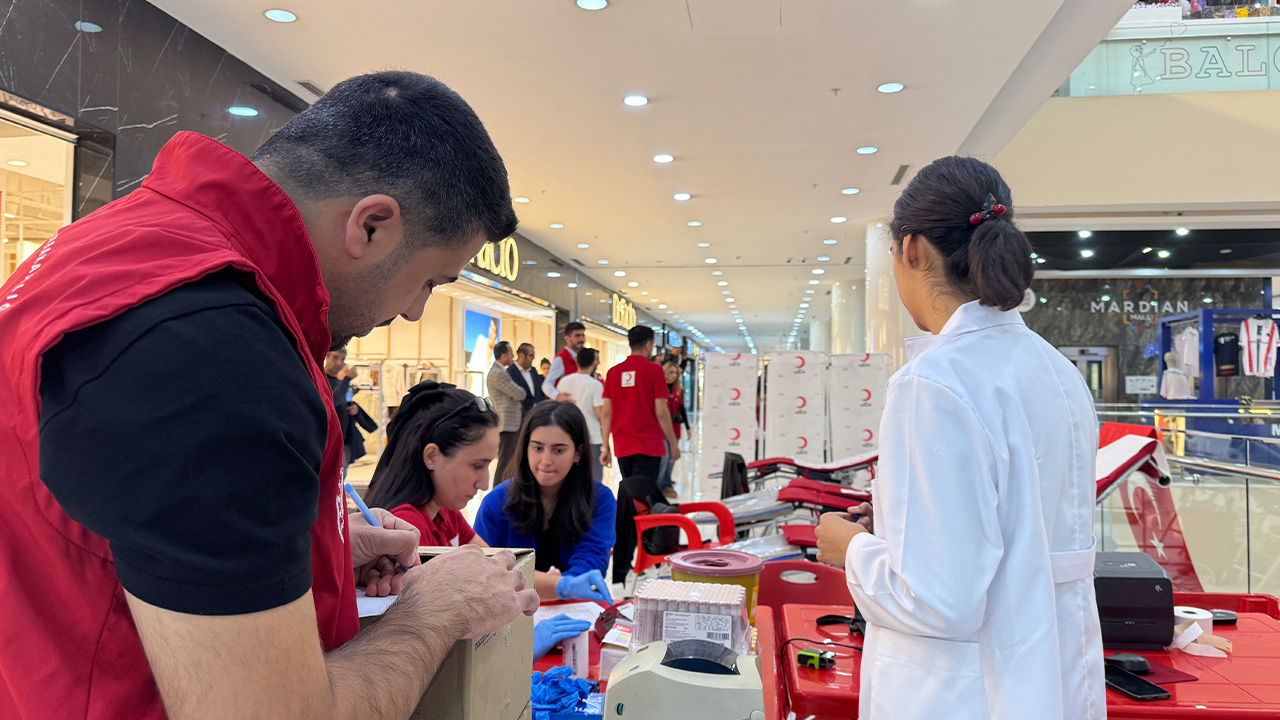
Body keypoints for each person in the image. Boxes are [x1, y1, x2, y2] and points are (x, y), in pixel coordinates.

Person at [0, 71, 541, 720]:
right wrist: (435, 610)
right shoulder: (213, 352)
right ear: (371, 225)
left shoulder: (121, 251)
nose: (414, 311)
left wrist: (314, 554)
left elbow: (103, 524)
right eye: (429, 281)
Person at [813, 156, 1103, 720]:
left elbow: (938, 600)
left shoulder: (933, 383)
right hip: (1053, 673)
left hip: (966, 689)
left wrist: (850, 548)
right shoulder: (1055, 370)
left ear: (912, 250)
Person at [475, 402, 617, 605]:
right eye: (538, 448)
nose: (545, 460)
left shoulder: (600, 499)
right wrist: (555, 584)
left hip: (574, 607)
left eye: (558, 450)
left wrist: (565, 586)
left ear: (578, 453)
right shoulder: (497, 502)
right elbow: (483, 568)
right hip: (509, 609)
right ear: (526, 448)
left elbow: (593, 559)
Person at [366, 382, 498, 548]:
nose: (484, 484)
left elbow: (494, 562)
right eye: (477, 466)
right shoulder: (406, 527)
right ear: (432, 456)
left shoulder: (444, 512)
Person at [601, 325, 679, 487]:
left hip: (622, 445)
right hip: (648, 445)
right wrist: (673, 443)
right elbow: (662, 412)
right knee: (644, 497)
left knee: (630, 491)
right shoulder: (654, 370)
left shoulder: (613, 373)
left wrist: (605, 445)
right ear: (648, 345)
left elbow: (606, 412)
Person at [556, 347, 608, 482]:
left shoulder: (564, 381)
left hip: (567, 435)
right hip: (592, 437)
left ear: (577, 362)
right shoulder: (596, 385)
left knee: (570, 477)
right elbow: (599, 414)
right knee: (593, 478)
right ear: (593, 363)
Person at [487, 340, 528, 473]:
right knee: (505, 460)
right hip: (507, 423)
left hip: (510, 423)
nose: (513, 357)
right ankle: (499, 490)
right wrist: (516, 395)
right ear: (503, 356)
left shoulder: (500, 372)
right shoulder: (499, 374)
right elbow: (520, 393)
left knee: (508, 459)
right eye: (511, 353)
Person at [656, 360, 690, 499]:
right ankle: (659, 485)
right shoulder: (659, 388)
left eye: (676, 373)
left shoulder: (677, 389)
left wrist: (688, 427)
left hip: (675, 428)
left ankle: (667, 483)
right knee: (665, 457)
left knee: (672, 458)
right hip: (661, 428)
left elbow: (682, 409)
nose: (673, 376)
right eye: (671, 372)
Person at [325, 350, 361, 470]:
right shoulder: (321, 382)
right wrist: (346, 380)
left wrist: (353, 410)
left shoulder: (340, 384)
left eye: (342, 359)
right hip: (328, 444)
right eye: (335, 358)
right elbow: (332, 402)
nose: (339, 363)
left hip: (342, 443)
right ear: (326, 357)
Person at [543, 322, 586, 399]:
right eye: (577, 336)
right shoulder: (561, 359)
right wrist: (558, 396)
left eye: (583, 335)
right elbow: (547, 384)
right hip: (565, 407)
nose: (581, 339)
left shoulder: (581, 357)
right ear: (567, 338)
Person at [510, 342, 548, 415]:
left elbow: (539, 392)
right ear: (521, 356)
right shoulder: (510, 372)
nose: (533, 358)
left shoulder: (533, 371)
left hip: (537, 414)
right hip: (520, 416)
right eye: (531, 356)